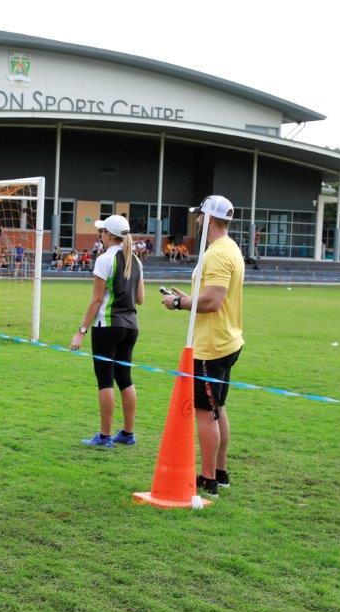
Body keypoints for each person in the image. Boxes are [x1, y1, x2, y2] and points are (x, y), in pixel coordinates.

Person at [160, 195, 245, 498]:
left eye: (199, 215)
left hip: (212, 345)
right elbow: (209, 296)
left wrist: (178, 303)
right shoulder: (227, 247)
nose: (196, 220)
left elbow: (213, 301)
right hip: (225, 339)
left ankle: (209, 479)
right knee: (217, 408)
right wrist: (189, 298)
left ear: (209, 218)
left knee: (205, 412)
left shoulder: (218, 253)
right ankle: (220, 472)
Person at [70, 214, 144, 447]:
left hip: (108, 327)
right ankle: (128, 433)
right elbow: (140, 298)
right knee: (125, 379)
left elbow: (96, 301)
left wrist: (81, 331)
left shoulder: (105, 259)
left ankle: (104, 436)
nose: (100, 235)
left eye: (101, 231)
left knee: (105, 381)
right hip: (130, 327)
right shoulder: (136, 260)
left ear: (109, 235)